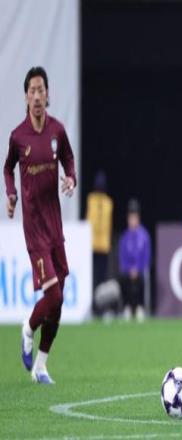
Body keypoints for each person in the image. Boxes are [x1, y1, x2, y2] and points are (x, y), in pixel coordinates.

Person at [3, 66, 76, 384]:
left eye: (40, 90)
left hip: (55, 226)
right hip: (34, 229)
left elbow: (69, 159)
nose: (36, 96)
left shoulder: (57, 130)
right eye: (31, 91)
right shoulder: (18, 137)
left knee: (58, 299)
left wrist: (71, 177)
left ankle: (41, 366)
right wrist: (11, 194)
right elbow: (7, 169)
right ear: (26, 97)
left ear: (47, 95)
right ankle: (28, 328)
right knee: (54, 296)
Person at [119, 198, 151, 322]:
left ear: (138, 219)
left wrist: (137, 269)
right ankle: (127, 307)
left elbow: (146, 256)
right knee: (123, 279)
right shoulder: (124, 237)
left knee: (141, 280)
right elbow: (122, 258)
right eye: (130, 218)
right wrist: (129, 269)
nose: (132, 221)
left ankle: (140, 307)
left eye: (134, 218)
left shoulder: (144, 236)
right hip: (128, 271)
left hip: (140, 271)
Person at [86, 170, 113, 313]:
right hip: (101, 246)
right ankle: (98, 308)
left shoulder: (91, 200)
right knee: (99, 280)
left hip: (96, 245)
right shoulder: (108, 202)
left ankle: (97, 307)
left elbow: (89, 221)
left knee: (97, 280)